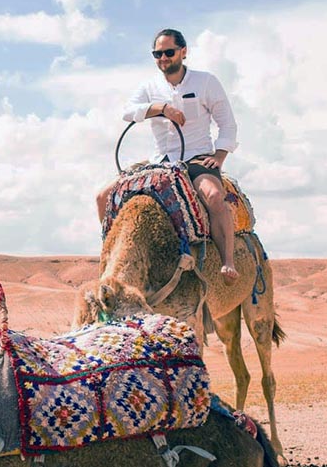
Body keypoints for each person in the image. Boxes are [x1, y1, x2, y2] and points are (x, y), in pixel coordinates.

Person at [97, 28, 240, 283]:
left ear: (183, 52)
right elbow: (127, 111)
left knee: (214, 195)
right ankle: (110, 260)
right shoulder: (149, 87)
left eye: (169, 52)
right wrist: (162, 109)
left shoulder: (206, 82)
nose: (163, 58)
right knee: (103, 196)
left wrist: (219, 157)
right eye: (157, 53)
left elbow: (227, 124)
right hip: (159, 161)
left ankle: (228, 263)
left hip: (196, 157)